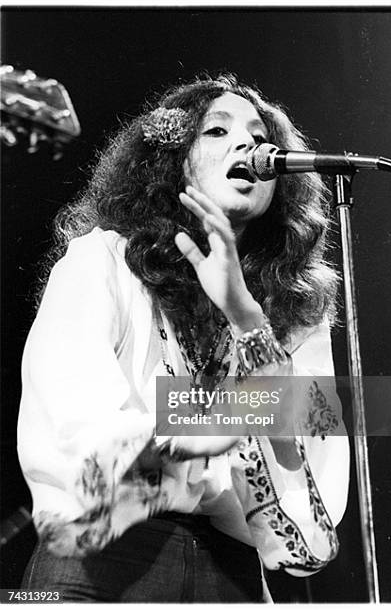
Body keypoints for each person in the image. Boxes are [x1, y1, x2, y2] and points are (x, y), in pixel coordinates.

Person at [17, 73, 349, 602]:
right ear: (170, 161)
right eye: (216, 131)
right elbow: (74, 418)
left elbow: (310, 531)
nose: (248, 144)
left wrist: (246, 318)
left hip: (233, 576)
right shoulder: (101, 260)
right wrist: (191, 437)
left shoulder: (297, 313)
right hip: (104, 562)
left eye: (259, 134)